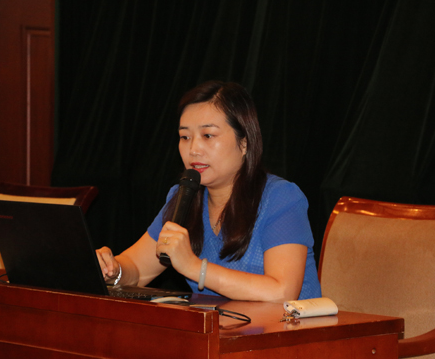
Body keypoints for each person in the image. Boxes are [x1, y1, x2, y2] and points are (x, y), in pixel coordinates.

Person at [96, 81, 321, 301]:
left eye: (208, 135)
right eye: (185, 137)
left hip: (288, 326)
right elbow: (137, 269)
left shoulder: (281, 197)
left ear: (244, 143)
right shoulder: (183, 198)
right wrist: (113, 270)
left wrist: (194, 267)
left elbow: (282, 293)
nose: (193, 149)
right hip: (218, 326)